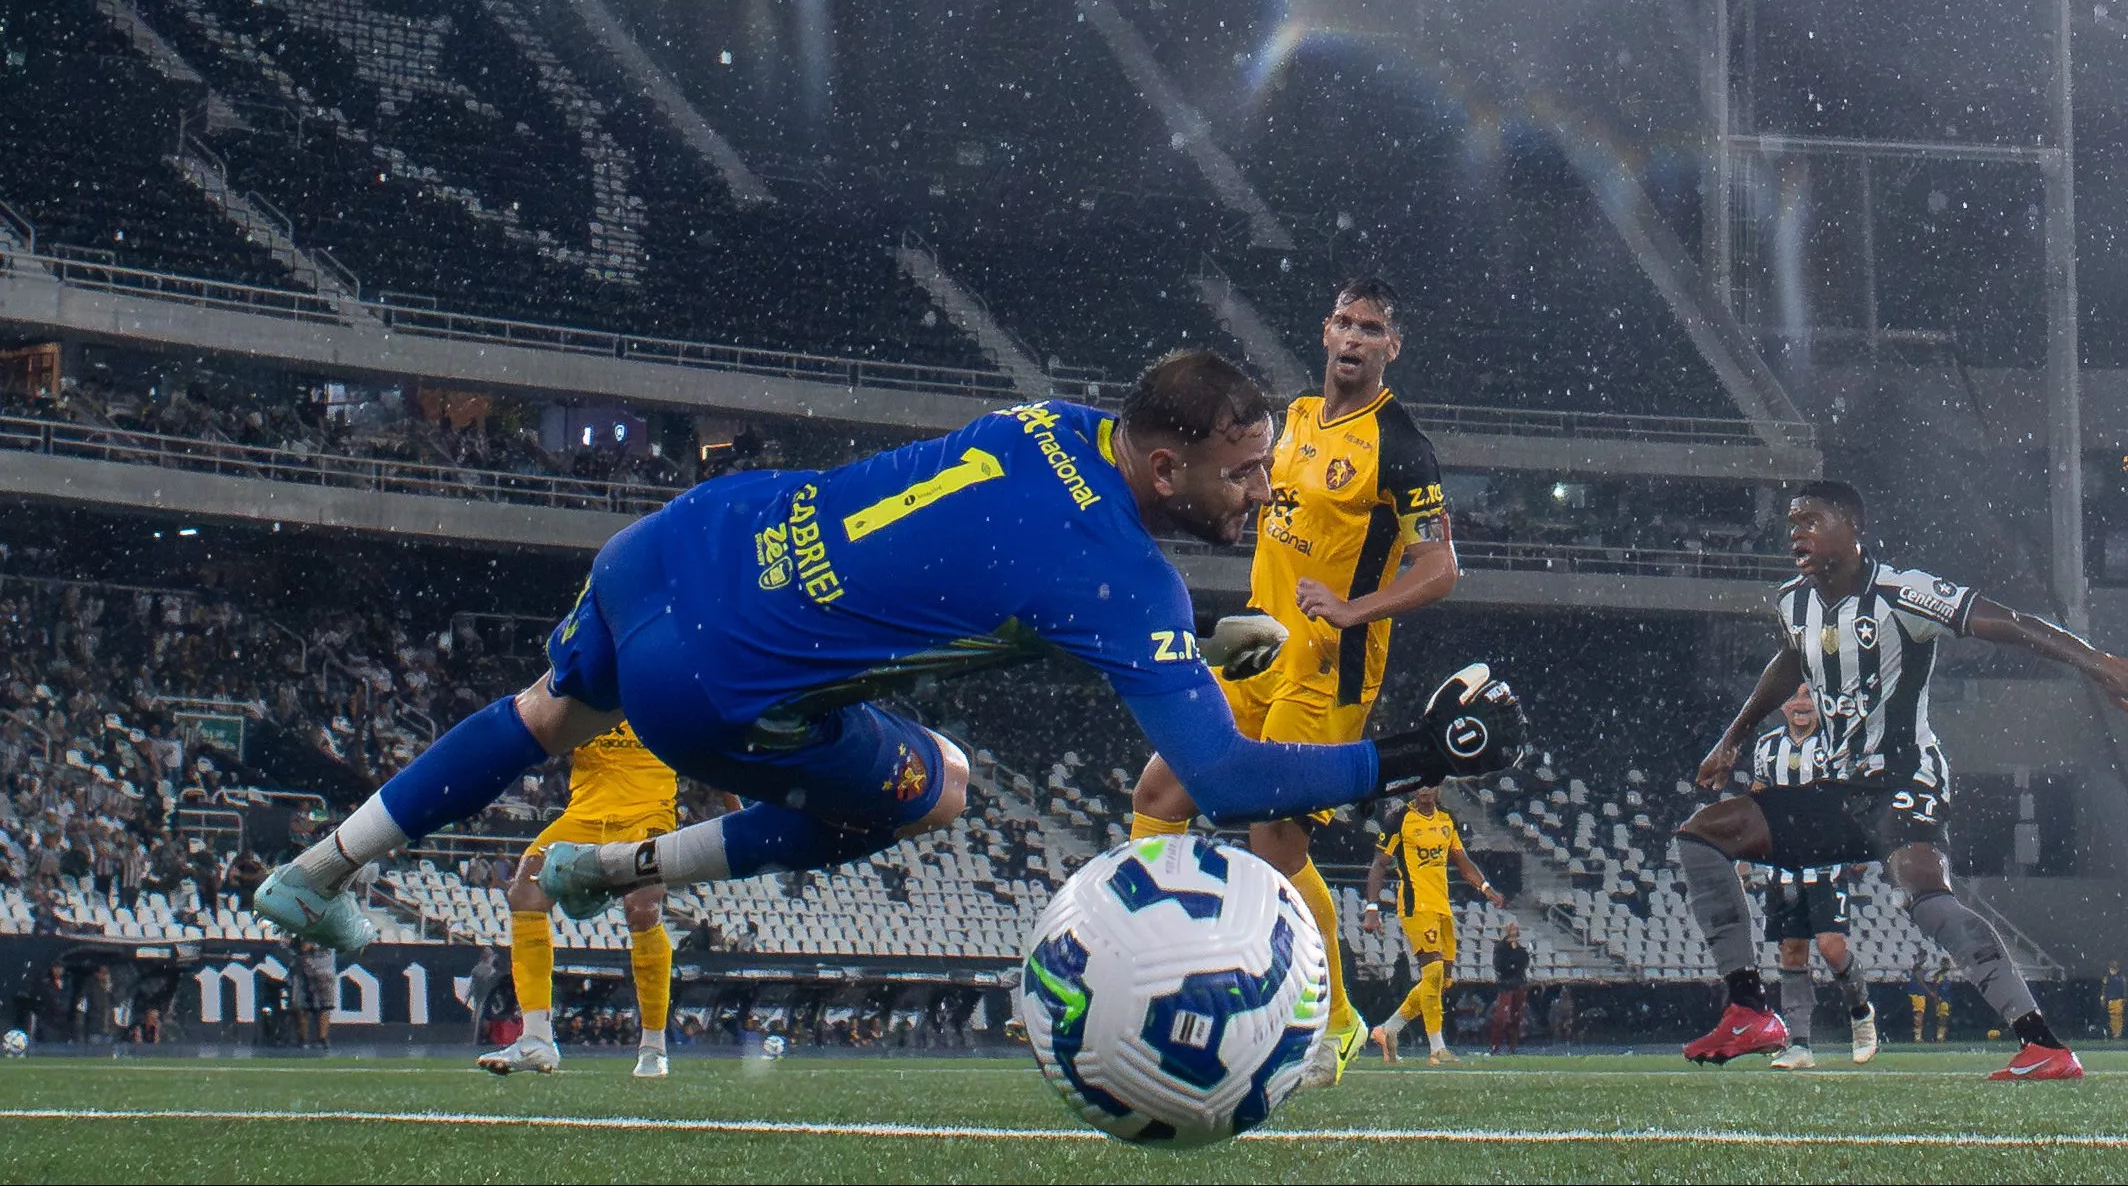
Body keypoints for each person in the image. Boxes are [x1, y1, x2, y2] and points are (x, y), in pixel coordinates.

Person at [254, 351, 1531, 959]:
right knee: (940, 786)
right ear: (1163, 463)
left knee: (545, 711)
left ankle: (321, 867)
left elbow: (997, 567)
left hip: (683, 542)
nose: (1260, 496)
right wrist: (1424, 750)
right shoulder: (1115, 570)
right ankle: (614, 870)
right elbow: (1236, 782)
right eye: (1244, 473)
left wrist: (1191, 632)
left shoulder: (1057, 425)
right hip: (720, 685)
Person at [1677, 480, 2128, 1081]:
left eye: (1810, 519)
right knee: (1704, 833)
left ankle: (2042, 1044)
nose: (1796, 532)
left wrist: (2099, 664)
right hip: (1841, 790)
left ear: (1851, 527)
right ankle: (1748, 1009)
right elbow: (1792, 658)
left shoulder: (1902, 592)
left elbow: (2008, 622)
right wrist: (1734, 736)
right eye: (1791, 522)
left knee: (1922, 892)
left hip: (1905, 778)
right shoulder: (1793, 602)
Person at [1127, 279, 1460, 1087]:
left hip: (1325, 665)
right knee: (1158, 793)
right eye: (1343, 321)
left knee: (1274, 843)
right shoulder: (1298, 418)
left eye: (1371, 327)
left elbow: (1440, 567)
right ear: (1323, 330)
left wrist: (1353, 609)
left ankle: (1335, 1017)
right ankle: (1153, 964)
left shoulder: (1400, 446)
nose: (1353, 336)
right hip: (1255, 641)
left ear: (1391, 347)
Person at [478, 722, 683, 1079]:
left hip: (648, 815)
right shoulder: (588, 689)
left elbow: (712, 745)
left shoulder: (666, 683)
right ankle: (536, 1039)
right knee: (524, 893)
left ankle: (653, 1046)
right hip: (583, 816)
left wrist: (738, 813)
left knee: (642, 907)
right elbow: (548, 731)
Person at [1734, 683, 1876, 1070]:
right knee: (1791, 951)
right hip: (1783, 866)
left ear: (1820, 703)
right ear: (1782, 705)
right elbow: (1758, 799)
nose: (1800, 703)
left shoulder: (1836, 744)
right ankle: (1799, 1044)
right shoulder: (1766, 748)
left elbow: (1857, 794)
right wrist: (1745, 853)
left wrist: (1861, 841)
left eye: (1808, 696)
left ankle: (1861, 1014)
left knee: (1831, 948)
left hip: (1826, 863)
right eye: (1793, 696)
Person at [1363, 785, 1502, 1064]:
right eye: (1419, 784)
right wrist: (1372, 908)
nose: (1424, 790)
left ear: (1439, 788)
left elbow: (1462, 861)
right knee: (1434, 970)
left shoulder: (1446, 818)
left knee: (1441, 981)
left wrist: (1486, 887)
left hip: (1441, 906)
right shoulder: (1399, 819)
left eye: (1430, 784)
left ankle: (1388, 1029)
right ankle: (1437, 1048)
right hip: (1416, 905)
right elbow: (1380, 864)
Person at [1488, 921, 1532, 1055]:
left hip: (1518, 984)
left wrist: (1514, 962)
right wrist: (1512, 965)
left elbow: (1523, 962)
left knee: (1516, 1017)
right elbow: (1499, 965)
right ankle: (1495, 1046)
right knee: (1501, 1017)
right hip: (1506, 985)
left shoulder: (1520, 948)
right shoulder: (1500, 947)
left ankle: (1512, 1046)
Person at [290, 938, 336, 1050]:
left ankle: (322, 1038)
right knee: (302, 1006)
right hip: (304, 970)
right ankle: (304, 1039)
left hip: (324, 970)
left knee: (325, 1006)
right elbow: (302, 947)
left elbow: (306, 946)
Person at [2100, 959, 2126, 1041]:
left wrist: (2124, 998)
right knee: (2113, 1018)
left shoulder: (2121, 978)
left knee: (2118, 1018)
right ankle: (2114, 1034)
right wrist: (2103, 998)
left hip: (2118, 1000)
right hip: (2110, 1000)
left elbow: (2124, 989)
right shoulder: (2107, 978)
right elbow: (2104, 989)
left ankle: (2117, 1034)